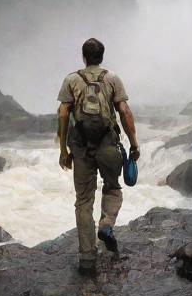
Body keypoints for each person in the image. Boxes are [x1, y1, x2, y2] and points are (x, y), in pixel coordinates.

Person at [57, 37, 141, 273]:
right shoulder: (113, 79)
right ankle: (106, 224)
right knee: (112, 188)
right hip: (108, 144)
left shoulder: (72, 79)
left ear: (84, 57)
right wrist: (134, 145)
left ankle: (86, 258)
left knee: (84, 201)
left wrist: (64, 150)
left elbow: (64, 114)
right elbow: (124, 112)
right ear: (101, 57)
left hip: (81, 147)